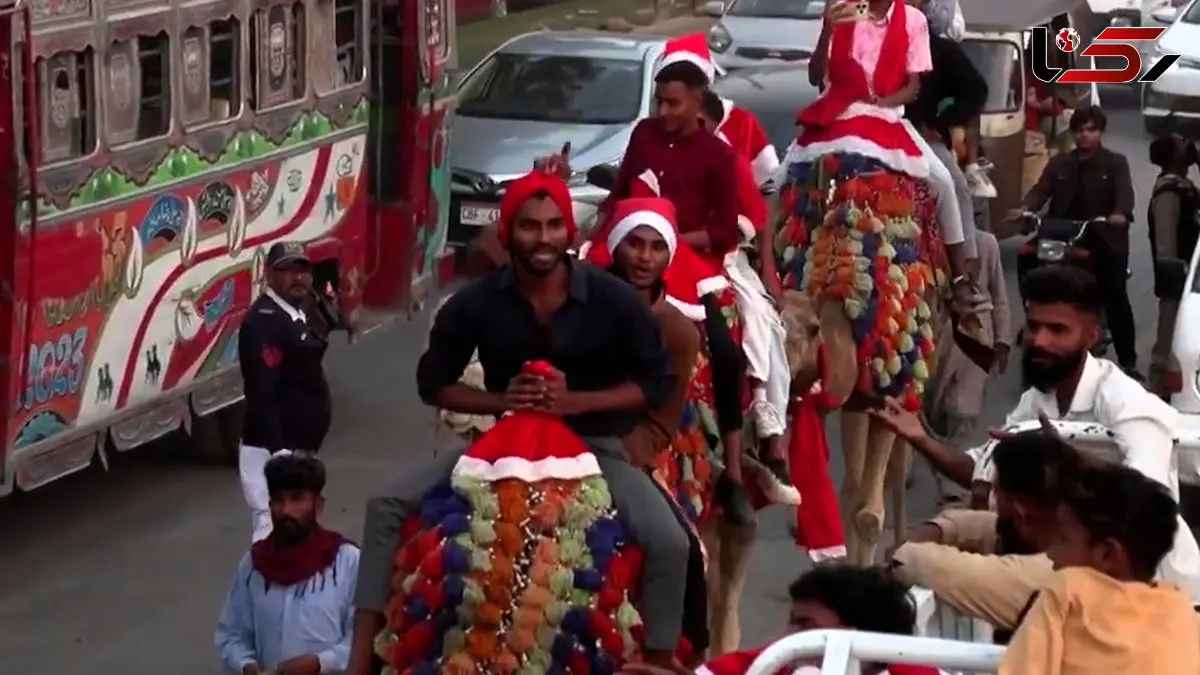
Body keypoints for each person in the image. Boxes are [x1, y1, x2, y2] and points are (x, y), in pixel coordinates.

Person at [346, 171, 693, 674]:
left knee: (670, 542)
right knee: (385, 505)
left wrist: (574, 403)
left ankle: (657, 664)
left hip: (593, 448)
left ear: (571, 234)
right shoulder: (476, 303)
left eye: (555, 225)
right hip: (501, 447)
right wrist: (498, 399)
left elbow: (654, 384)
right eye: (530, 226)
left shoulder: (614, 300)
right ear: (507, 232)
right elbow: (434, 383)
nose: (544, 238)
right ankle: (359, 662)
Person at [872, 263, 1200, 604]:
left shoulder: (1126, 401)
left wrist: (1069, 465)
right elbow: (981, 469)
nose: (1040, 340)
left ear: (1091, 336)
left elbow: (1148, 502)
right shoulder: (1037, 399)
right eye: (1034, 327)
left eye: (1057, 330)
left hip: (1156, 593)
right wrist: (919, 437)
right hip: (1075, 575)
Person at [601, 47, 797, 503]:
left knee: (727, 354)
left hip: (691, 258)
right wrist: (602, 230)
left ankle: (731, 472)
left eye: (673, 103)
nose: (664, 112)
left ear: (696, 101)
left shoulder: (719, 155)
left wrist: (670, 238)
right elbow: (620, 189)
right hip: (625, 243)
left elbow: (727, 230)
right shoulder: (644, 136)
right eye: (660, 103)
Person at [804, 0, 979, 297]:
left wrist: (881, 104)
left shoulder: (913, 20)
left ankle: (961, 275)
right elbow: (815, 78)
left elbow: (912, 86)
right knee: (785, 179)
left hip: (888, 117)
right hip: (840, 116)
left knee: (945, 183)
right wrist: (828, 31)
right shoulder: (844, 11)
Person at [999, 462, 1200, 675]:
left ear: (1107, 554)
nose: (1050, 552)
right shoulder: (1182, 609)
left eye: (1062, 539)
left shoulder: (1068, 590)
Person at [890, 429, 1074, 641]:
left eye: (996, 494)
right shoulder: (1082, 537)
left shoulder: (1042, 575)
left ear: (1023, 517)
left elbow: (914, 560)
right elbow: (985, 526)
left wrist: (904, 550)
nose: (991, 504)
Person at [1013, 106, 1139, 377]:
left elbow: (1124, 195)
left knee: (1115, 293)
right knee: (1027, 257)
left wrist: (1118, 214)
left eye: (1090, 130)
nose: (1084, 135)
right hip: (1060, 233)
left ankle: (1129, 361)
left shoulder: (1115, 163)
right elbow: (1040, 191)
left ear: (1100, 132)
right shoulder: (1060, 163)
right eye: (1079, 130)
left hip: (1102, 235)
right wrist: (1025, 209)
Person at [215, 454, 359, 675]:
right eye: (278, 500)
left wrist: (318, 663)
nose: (286, 511)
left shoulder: (348, 562)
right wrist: (245, 665)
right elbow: (232, 635)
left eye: (297, 499)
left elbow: (361, 640)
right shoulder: (253, 565)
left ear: (318, 505)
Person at [237, 241, 333, 542]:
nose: (298, 278)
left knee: (296, 533)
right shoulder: (264, 322)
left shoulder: (292, 314)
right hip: (273, 450)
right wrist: (279, 454)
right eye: (287, 271)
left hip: (295, 447)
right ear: (268, 276)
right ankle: (264, 587)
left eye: (302, 270)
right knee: (272, 530)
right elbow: (261, 393)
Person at [696, 565, 944, 675]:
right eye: (793, 622)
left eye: (805, 625)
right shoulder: (773, 662)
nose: (785, 636)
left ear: (857, 634)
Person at [922, 229, 1011, 501]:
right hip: (936, 332)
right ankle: (943, 469)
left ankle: (953, 491)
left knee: (962, 409)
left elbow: (999, 296)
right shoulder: (928, 241)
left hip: (976, 332)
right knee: (932, 412)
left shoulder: (987, 243)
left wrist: (1003, 342)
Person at [1147, 134, 1199, 397]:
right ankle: (1156, 389)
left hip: (1190, 274)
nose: (1189, 146)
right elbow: (1165, 243)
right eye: (1182, 144)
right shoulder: (1168, 193)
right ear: (1173, 157)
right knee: (1168, 333)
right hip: (1177, 276)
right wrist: (1174, 274)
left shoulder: (1185, 188)